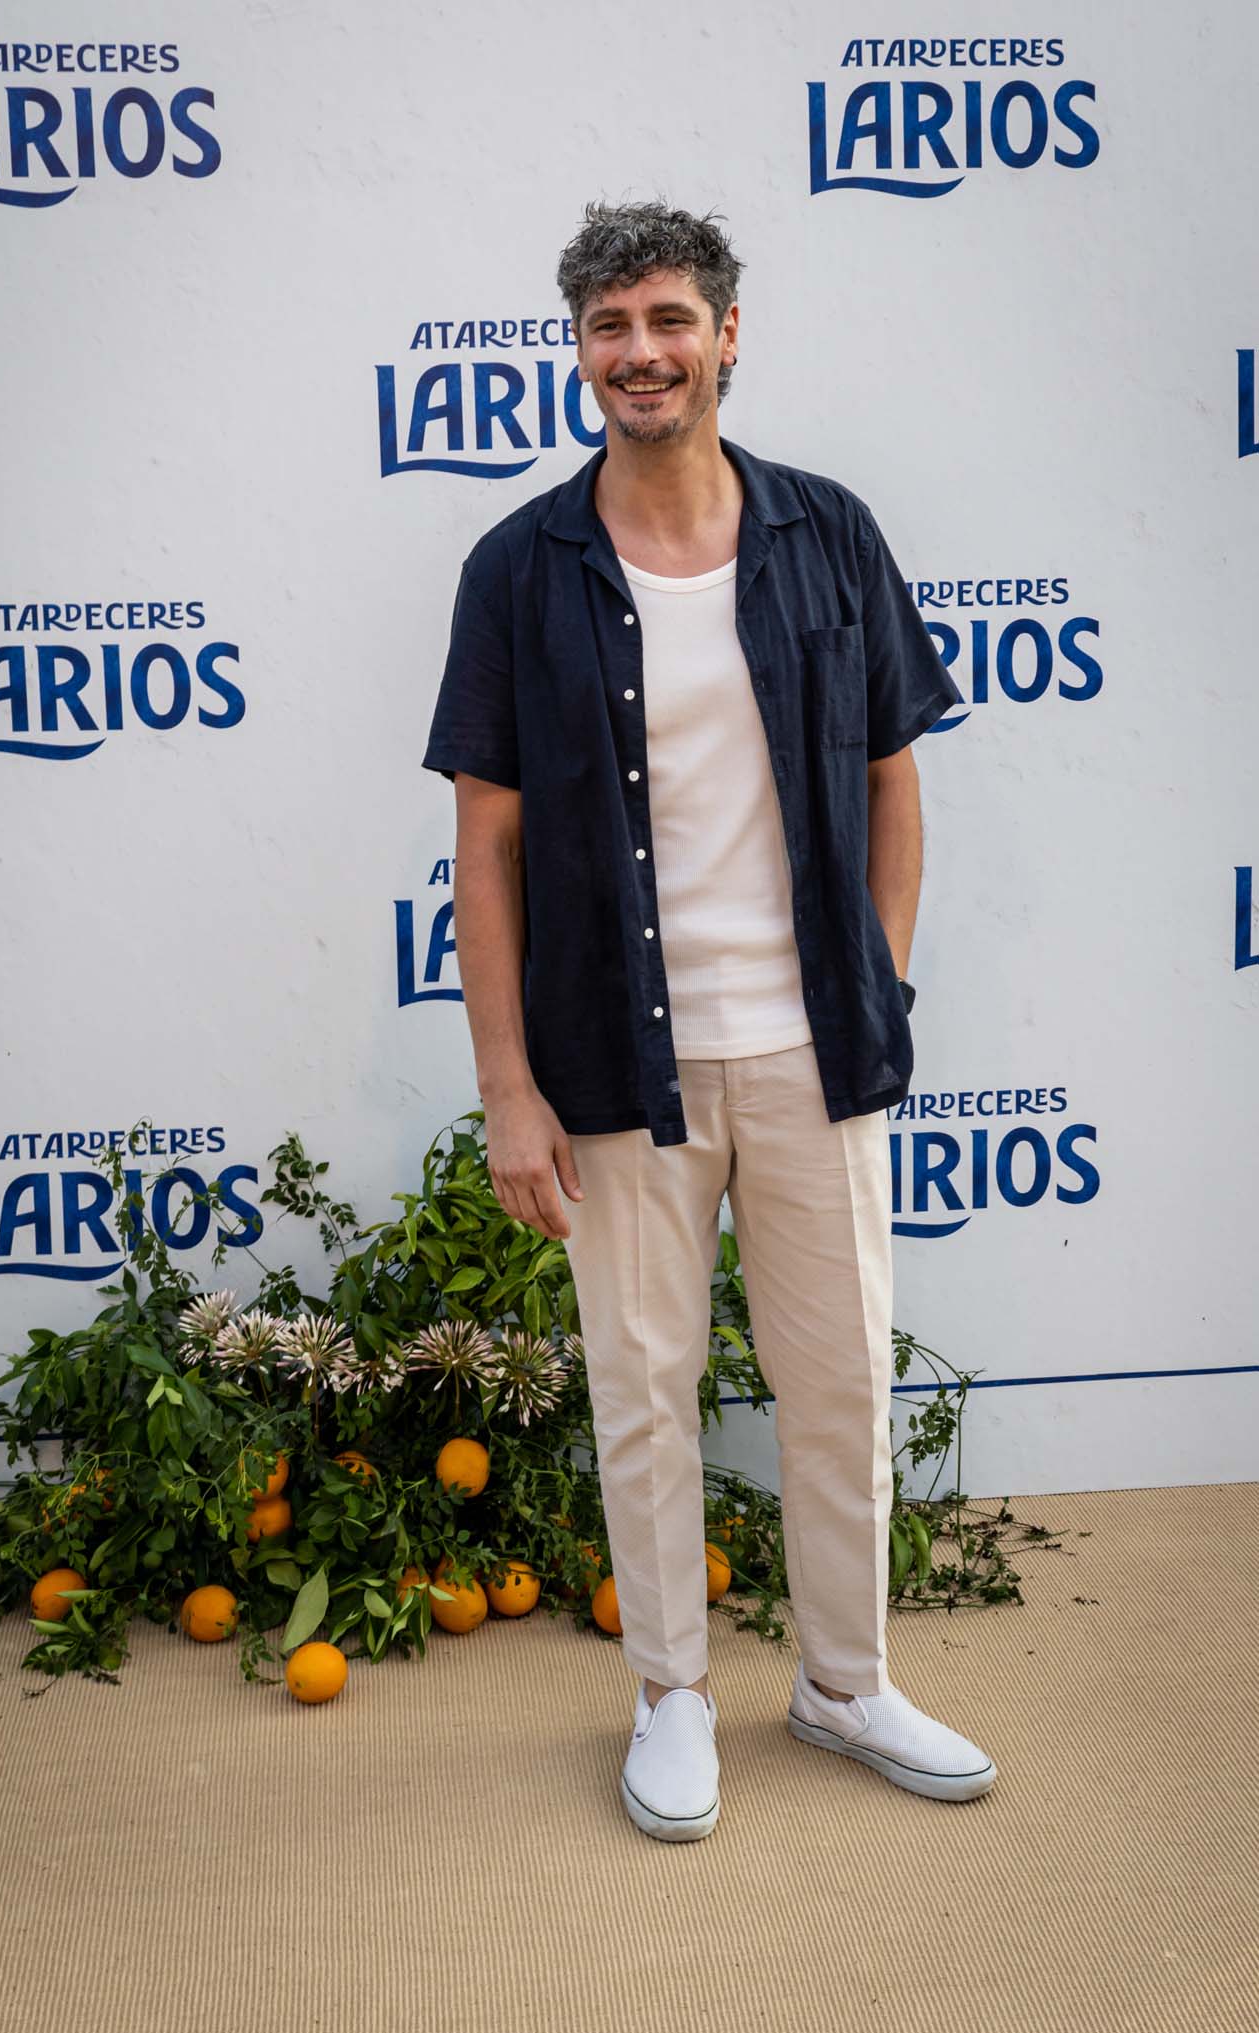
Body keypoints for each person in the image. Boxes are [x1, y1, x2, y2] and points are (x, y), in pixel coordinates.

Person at [422, 197, 996, 1840]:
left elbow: (893, 777)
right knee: (643, 1387)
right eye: (609, 327)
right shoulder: (519, 568)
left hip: (817, 1050)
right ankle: (671, 1692)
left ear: (727, 336)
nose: (641, 352)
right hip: (618, 1060)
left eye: (669, 319)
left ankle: (844, 1683)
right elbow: (486, 845)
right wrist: (507, 1085)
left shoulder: (828, 533)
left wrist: (879, 978)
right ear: (579, 351)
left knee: (841, 1382)